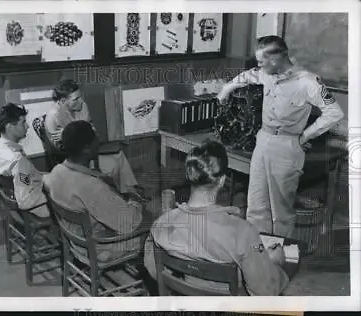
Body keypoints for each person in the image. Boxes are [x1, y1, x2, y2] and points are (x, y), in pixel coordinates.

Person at [217, 35, 344, 238]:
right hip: (263, 140)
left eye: (261, 62)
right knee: (256, 205)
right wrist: (226, 90)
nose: (259, 66)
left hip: (287, 146)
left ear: (275, 60)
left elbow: (334, 113)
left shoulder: (307, 82)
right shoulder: (267, 73)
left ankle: (278, 256)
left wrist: (305, 136)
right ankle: (258, 253)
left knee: (281, 211)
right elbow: (249, 75)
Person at [144, 140, 289, 296]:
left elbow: (153, 269)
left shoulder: (162, 223)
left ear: (190, 176)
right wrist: (274, 263)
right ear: (221, 180)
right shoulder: (242, 232)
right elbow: (266, 292)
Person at [43, 120, 144, 262]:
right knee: (154, 228)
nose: (99, 141)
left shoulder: (56, 172)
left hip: (75, 242)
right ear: (86, 149)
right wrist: (135, 199)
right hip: (98, 248)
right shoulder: (91, 186)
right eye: (95, 138)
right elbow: (129, 223)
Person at [44, 79, 139, 195]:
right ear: (63, 101)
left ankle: (130, 192)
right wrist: (83, 132)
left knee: (119, 154)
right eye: (76, 99)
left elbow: (93, 132)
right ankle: (121, 195)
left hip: (88, 148)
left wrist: (71, 131)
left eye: (80, 97)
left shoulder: (82, 106)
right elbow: (66, 150)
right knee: (114, 163)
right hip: (76, 161)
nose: (81, 101)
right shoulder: (53, 118)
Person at [0, 103, 49, 217]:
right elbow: (25, 200)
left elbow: (26, 177)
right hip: (36, 207)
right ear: (10, 127)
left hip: (21, 192)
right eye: (23, 122)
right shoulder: (17, 159)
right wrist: (51, 196)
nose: (27, 126)